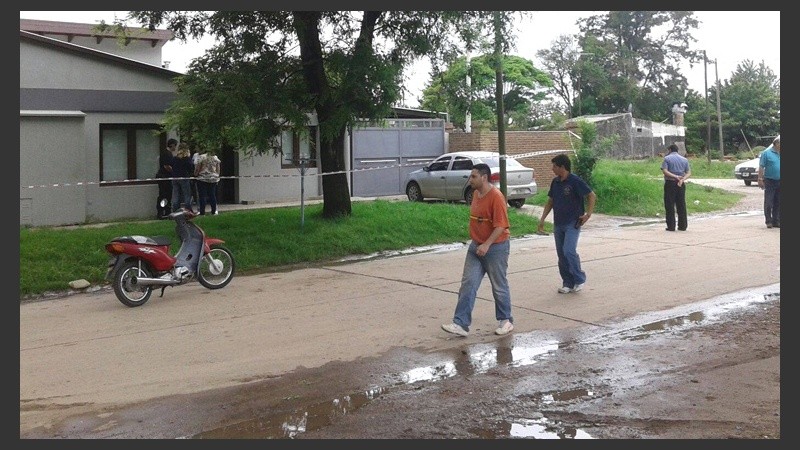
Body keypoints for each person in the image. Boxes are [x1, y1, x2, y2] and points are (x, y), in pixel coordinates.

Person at [441, 163, 514, 337]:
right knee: (468, 284)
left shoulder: (496, 197)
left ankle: (506, 321)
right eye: (470, 176)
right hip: (476, 247)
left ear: (484, 177)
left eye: (474, 176)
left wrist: (487, 244)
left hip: (496, 248)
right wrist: (478, 242)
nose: (470, 179)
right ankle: (460, 323)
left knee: (499, 285)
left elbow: (501, 226)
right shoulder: (475, 194)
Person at [537, 153, 596, 294]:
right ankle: (567, 283)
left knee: (569, 251)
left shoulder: (575, 181)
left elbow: (591, 195)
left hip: (573, 222)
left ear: (562, 167)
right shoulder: (555, 182)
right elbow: (550, 201)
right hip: (558, 223)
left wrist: (588, 214)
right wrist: (542, 219)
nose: (552, 169)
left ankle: (579, 278)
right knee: (561, 255)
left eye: (554, 166)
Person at [660, 143, 692, 231]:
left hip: (670, 183)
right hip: (681, 184)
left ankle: (671, 226)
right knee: (681, 204)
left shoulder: (667, 158)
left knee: (670, 204)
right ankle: (683, 226)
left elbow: (665, 171)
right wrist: (682, 179)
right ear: (677, 150)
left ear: (670, 150)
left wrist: (675, 176)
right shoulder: (684, 160)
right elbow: (689, 172)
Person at [757, 135, 780, 228]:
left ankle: (776, 221)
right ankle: (768, 221)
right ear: (776, 144)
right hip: (770, 180)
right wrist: (760, 179)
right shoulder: (766, 153)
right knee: (769, 202)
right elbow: (761, 167)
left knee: (778, 202)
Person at [194, 149, 221, 215]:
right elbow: (218, 168)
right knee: (212, 195)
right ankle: (214, 211)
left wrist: (195, 174)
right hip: (213, 178)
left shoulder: (202, 157)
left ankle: (202, 212)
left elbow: (198, 168)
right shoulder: (215, 158)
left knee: (202, 196)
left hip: (202, 178)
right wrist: (217, 176)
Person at [155, 138, 177, 219]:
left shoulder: (166, 153)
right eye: (175, 146)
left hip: (164, 176)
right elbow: (167, 166)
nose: (175, 148)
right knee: (164, 195)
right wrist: (174, 172)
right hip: (164, 177)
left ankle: (166, 211)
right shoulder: (167, 154)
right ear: (172, 145)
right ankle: (162, 212)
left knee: (166, 195)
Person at [170, 142, 195, 213]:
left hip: (175, 178)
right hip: (184, 177)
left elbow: (172, 166)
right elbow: (191, 167)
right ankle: (188, 210)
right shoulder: (187, 158)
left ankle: (175, 210)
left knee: (176, 195)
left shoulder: (175, 158)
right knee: (186, 195)